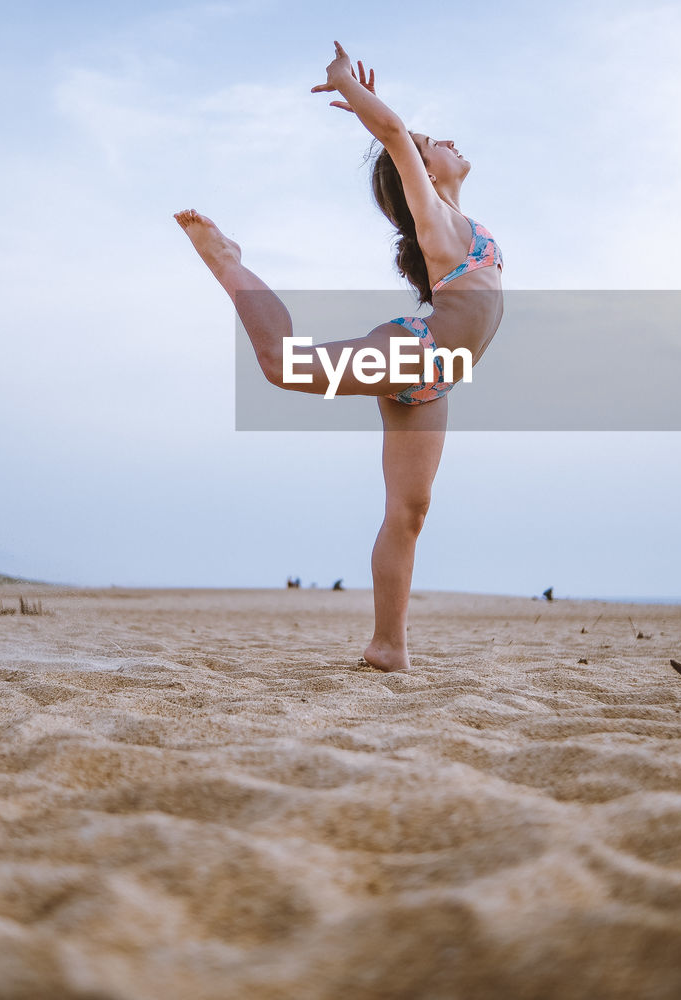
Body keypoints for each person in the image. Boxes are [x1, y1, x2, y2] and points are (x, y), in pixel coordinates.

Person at [174, 41, 503, 671]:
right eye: (428, 142)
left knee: (409, 512)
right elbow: (391, 130)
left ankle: (388, 647)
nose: (443, 142)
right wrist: (350, 89)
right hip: (417, 351)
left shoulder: (464, 221)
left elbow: (393, 130)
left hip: (435, 381)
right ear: (423, 174)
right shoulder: (433, 217)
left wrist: (372, 110)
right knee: (283, 364)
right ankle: (230, 263)